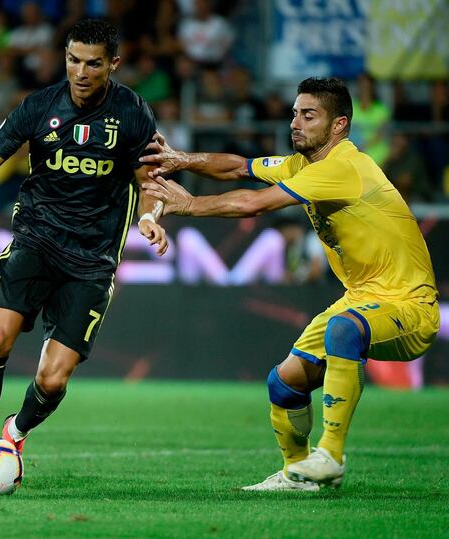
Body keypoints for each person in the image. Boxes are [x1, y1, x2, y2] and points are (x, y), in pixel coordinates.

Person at [140, 77, 439, 491]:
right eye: (295, 113)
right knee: (285, 382)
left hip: (410, 306)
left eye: (308, 115)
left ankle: (330, 455)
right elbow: (239, 168)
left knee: (344, 329)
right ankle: (298, 473)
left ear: (339, 125)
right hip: (361, 299)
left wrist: (187, 204)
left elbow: (254, 204)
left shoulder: (343, 167)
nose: (295, 122)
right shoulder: (305, 164)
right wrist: (183, 159)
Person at [0, 18, 169, 491]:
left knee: (54, 379)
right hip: (35, 241)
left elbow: (150, 180)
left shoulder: (134, 113)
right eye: (73, 60)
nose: (81, 71)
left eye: (93, 63)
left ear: (112, 65)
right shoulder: (39, 107)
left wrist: (151, 215)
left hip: (92, 261)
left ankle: (13, 435)